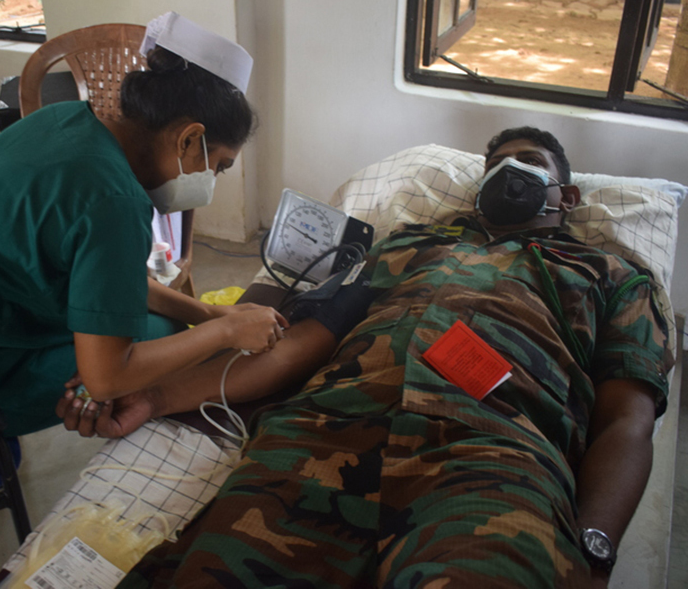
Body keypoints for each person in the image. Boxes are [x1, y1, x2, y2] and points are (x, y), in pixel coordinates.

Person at [60, 127, 673, 588]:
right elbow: (301, 346)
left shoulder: (610, 273)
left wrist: (593, 546)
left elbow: (627, 421)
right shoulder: (406, 245)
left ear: (564, 196)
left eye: (528, 162)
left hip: (492, 453)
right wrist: (156, 395)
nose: (508, 170)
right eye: (495, 164)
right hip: (317, 434)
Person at [0, 12, 287, 451]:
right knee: (162, 343)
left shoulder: (65, 121)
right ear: (187, 139)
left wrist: (207, 314)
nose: (211, 181)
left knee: (164, 324)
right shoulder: (115, 202)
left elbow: (114, 282)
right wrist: (224, 335)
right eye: (217, 165)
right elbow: (105, 379)